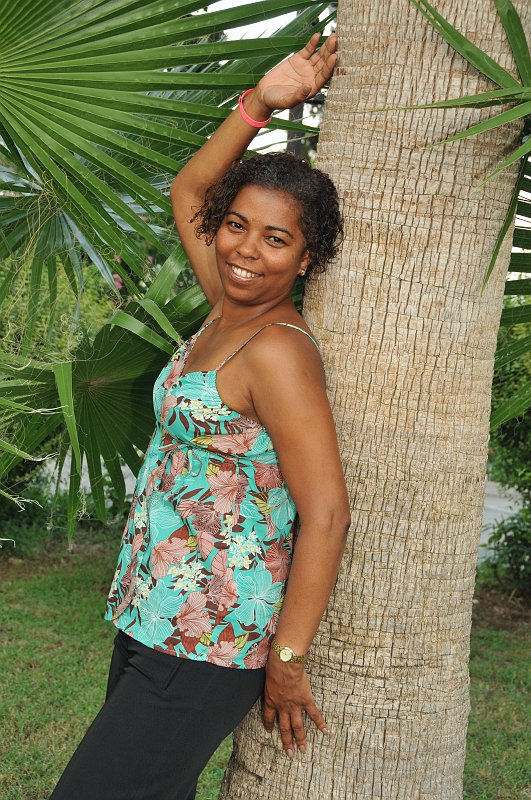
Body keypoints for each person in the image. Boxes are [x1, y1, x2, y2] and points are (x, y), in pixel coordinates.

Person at [49, 31, 350, 800]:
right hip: (153, 615)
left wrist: (287, 661)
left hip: (208, 641)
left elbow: (326, 514)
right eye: (237, 225)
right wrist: (259, 103)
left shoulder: (277, 351)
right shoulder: (225, 307)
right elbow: (190, 189)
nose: (246, 249)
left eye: (276, 239)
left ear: (305, 257)